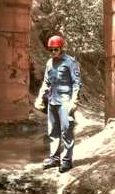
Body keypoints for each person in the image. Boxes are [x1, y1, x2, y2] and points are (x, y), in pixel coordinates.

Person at [34, 35, 81, 173]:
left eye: (56, 49)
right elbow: (46, 82)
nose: (53, 52)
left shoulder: (70, 62)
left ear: (61, 49)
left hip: (66, 101)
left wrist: (74, 100)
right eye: (51, 49)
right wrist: (40, 97)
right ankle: (54, 159)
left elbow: (76, 83)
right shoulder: (49, 63)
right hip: (52, 100)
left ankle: (66, 160)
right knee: (53, 131)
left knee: (66, 130)